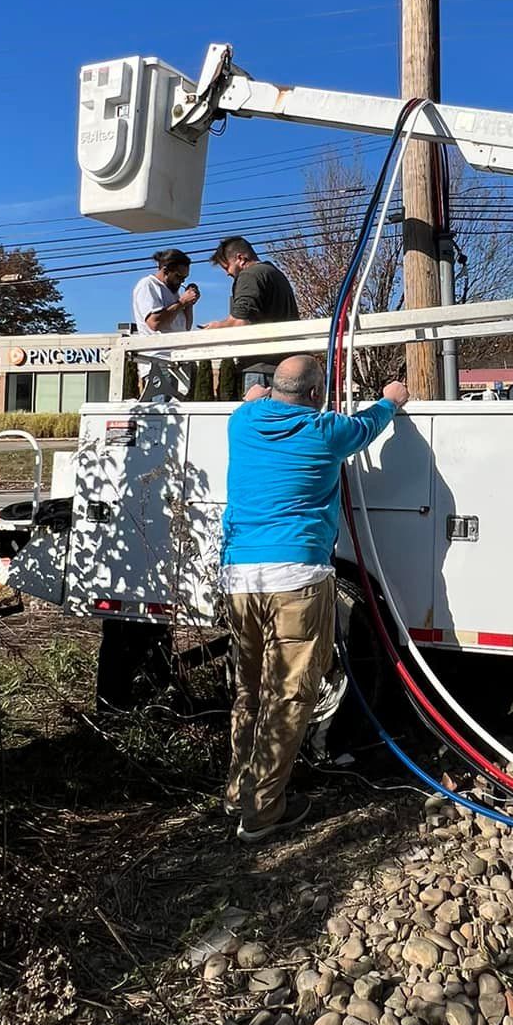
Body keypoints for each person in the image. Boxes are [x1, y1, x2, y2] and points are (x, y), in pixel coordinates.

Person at [221, 354, 408, 841]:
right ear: (312, 395)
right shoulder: (327, 432)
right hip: (296, 577)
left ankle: (239, 790)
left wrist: (260, 395)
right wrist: (391, 398)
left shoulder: (242, 423)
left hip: (240, 577)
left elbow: (253, 398)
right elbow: (371, 422)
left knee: (250, 689)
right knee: (290, 692)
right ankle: (262, 812)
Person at [204, 235, 300, 395]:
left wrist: (216, 327)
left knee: (259, 417)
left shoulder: (250, 275)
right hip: (286, 364)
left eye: (226, 267)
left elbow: (240, 322)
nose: (228, 274)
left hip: (263, 367)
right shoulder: (274, 273)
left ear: (240, 258)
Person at [130, 250, 200, 400]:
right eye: (178, 276)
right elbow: (154, 323)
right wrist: (181, 302)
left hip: (177, 360)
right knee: (164, 414)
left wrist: (188, 305)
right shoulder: (148, 286)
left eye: (185, 278)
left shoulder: (173, 293)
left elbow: (185, 327)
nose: (181, 282)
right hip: (159, 361)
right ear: (165, 270)